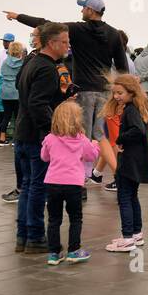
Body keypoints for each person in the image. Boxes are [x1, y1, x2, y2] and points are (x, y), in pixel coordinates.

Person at [5, 0, 128, 150]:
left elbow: (47, 25)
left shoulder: (78, 29)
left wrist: (18, 16)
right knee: (99, 135)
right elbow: (122, 67)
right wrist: (121, 95)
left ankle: (83, 173)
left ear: (90, 10)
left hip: (84, 90)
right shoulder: (114, 34)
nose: (81, 10)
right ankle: (108, 170)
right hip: (104, 91)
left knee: (83, 134)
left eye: (83, 7)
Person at [14, 22, 73, 253]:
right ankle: (36, 236)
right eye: (65, 42)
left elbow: (26, 91)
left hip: (22, 131)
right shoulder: (48, 68)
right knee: (38, 186)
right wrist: (53, 131)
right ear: (52, 43)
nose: (68, 46)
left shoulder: (31, 61)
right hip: (36, 136)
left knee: (27, 186)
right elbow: (38, 104)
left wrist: (61, 95)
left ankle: (23, 236)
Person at [40, 100, 98, 265]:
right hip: (73, 184)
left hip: (52, 183)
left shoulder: (50, 138)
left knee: (54, 219)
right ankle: (74, 250)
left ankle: (53, 253)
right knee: (75, 218)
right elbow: (91, 156)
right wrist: (96, 146)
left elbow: (44, 157)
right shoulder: (81, 139)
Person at [105, 73, 148, 251]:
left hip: (129, 161)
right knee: (132, 197)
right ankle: (136, 234)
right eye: (115, 93)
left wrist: (119, 139)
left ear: (131, 92)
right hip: (137, 160)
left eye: (120, 93)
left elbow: (138, 131)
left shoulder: (130, 110)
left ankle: (127, 238)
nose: (116, 96)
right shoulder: (137, 108)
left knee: (124, 197)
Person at [0, 39, 25, 143]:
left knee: (6, 116)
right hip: (17, 92)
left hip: (6, 92)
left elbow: (2, 75)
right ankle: (16, 139)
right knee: (18, 117)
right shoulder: (22, 63)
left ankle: (2, 137)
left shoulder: (5, 62)